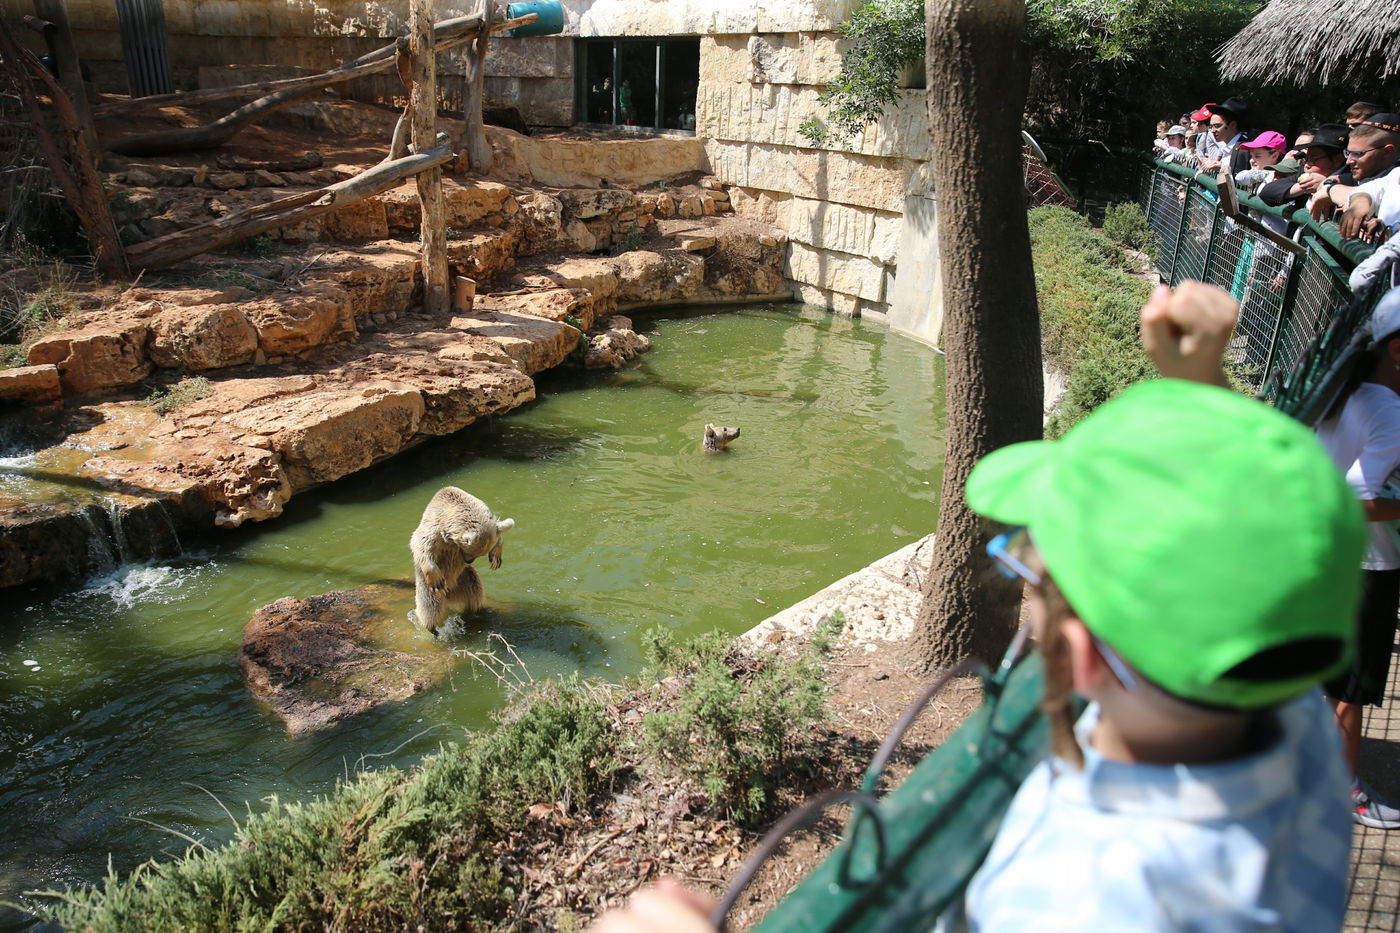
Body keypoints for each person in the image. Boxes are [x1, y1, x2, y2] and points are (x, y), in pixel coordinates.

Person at [590, 282, 1363, 933]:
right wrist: (1199, 394)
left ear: (1084, 654)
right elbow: (1234, 569)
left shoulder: (1088, 901)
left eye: (1029, 560)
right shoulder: (1288, 718)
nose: (1022, 571)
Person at [1317, 284, 1400, 828]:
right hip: (1367, 566)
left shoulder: (1349, 390)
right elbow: (1359, 496)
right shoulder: (1390, 409)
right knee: (1350, 691)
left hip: (1325, 558)